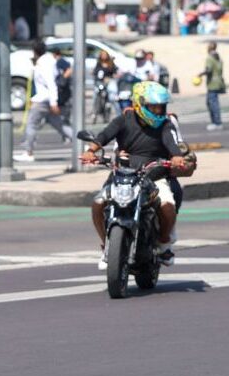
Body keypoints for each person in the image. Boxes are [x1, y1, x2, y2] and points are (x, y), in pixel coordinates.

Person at [81, 82, 196, 269]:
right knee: (98, 203)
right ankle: (106, 246)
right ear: (139, 104)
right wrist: (91, 151)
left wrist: (176, 157)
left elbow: (171, 143)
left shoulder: (166, 125)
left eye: (161, 107)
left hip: (154, 176)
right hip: (122, 174)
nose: (158, 111)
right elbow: (104, 135)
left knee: (168, 205)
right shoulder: (124, 120)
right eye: (153, 107)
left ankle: (164, 243)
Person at [16, 41, 72, 162]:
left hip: (42, 100)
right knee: (60, 125)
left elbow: (50, 83)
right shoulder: (49, 60)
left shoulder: (43, 63)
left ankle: (28, 152)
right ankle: (83, 145)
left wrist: (54, 102)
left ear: (35, 51)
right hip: (47, 100)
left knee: (31, 124)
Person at [199, 42, 225, 131]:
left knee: (212, 103)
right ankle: (216, 122)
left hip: (212, 84)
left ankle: (216, 122)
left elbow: (208, 70)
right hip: (219, 82)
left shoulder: (210, 58)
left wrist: (200, 74)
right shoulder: (218, 57)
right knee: (213, 102)